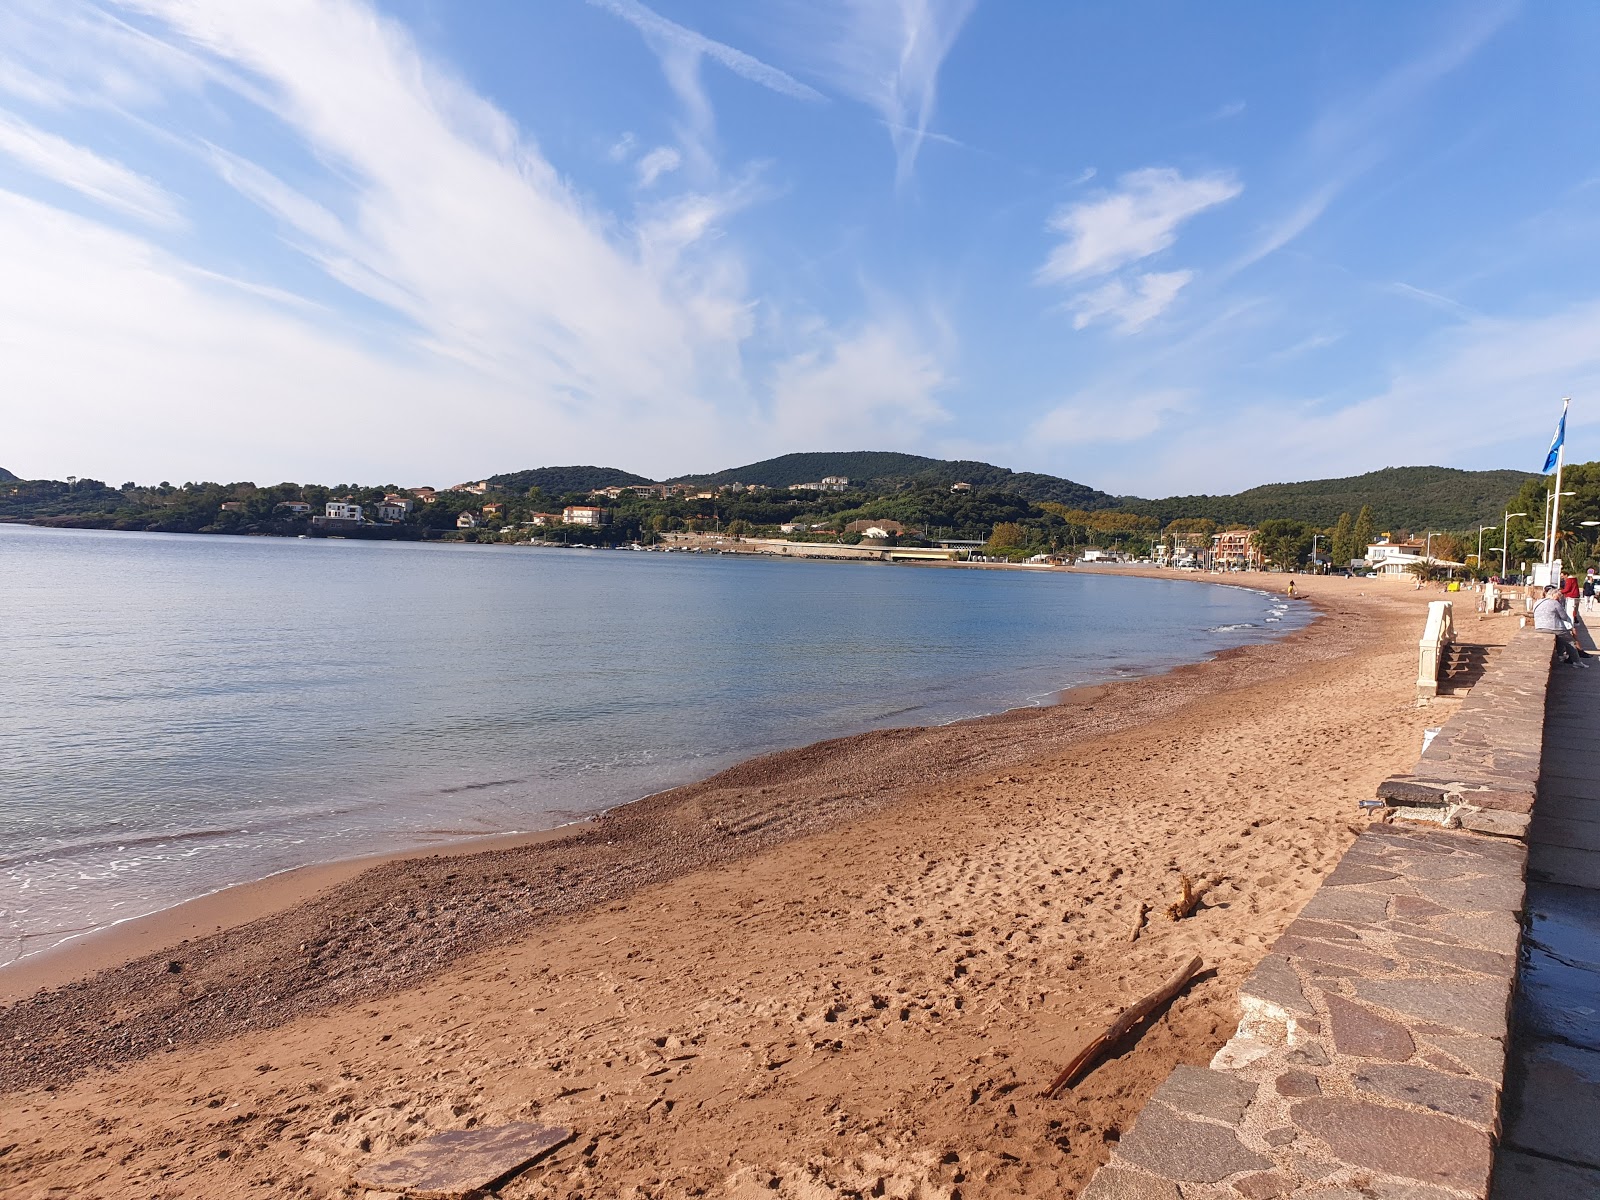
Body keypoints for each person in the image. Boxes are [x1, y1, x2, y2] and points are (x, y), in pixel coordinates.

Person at [1533, 585, 1586, 666]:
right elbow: (1564, 617)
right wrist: (1571, 624)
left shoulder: (1537, 602)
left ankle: (1561, 655)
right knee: (1570, 641)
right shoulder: (1554, 603)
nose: (1559, 599)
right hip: (1553, 627)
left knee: (1560, 637)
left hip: (1539, 627)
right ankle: (1577, 662)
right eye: (1558, 597)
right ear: (1553, 595)